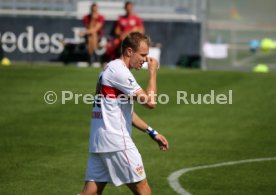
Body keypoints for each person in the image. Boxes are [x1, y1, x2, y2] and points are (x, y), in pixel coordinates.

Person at [80, 32, 169, 195]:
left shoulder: (109, 68)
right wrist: (153, 72)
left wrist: (151, 132)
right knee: (144, 192)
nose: (145, 60)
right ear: (129, 51)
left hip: (100, 141)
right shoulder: (120, 72)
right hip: (117, 143)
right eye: (142, 55)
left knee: (90, 193)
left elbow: (124, 113)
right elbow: (150, 102)